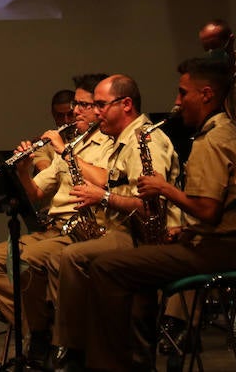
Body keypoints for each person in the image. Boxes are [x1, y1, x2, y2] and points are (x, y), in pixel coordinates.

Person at [70, 58, 236, 372]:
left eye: (184, 93)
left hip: (215, 253)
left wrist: (163, 188)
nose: (177, 102)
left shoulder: (212, 142)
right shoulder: (223, 134)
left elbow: (208, 212)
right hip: (214, 246)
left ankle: (109, 366)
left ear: (206, 94)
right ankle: (140, 362)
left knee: (105, 268)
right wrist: (182, 231)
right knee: (136, 275)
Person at [0, 75, 109, 363]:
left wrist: (64, 152)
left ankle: (49, 338)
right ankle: (39, 328)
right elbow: (35, 194)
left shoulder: (107, 143)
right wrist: (22, 170)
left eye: (83, 104)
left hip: (85, 229)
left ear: (100, 108)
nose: (76, 111)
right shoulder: (76, 145)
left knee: (27, 260)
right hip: (52, 229)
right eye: (75, 104)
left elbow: (107, 182)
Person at [51, 74, 180, 369]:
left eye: (100, 105)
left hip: (140, 233)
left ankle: (73, 350)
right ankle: (91, 346)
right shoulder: (122, 141)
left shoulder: (141, 142)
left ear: (126, 104)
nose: (95, 113)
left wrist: (103, 198)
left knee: (72, 257)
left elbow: (151, 209)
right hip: (121, 226)